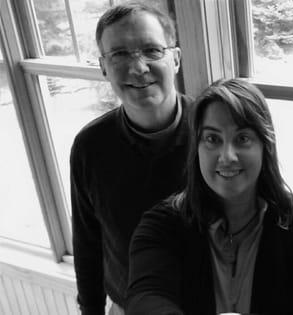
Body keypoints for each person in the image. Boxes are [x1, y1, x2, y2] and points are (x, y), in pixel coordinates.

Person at [126, 79, 293, 315]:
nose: (227, 156)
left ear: (265, 146)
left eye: (243, 139)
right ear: (197, 149)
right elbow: (145, 298)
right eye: (212, 139)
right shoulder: (161, 224)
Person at [70, 3, 193, 314]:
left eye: (152, 50)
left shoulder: (214, 132)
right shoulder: (90, 147)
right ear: (103, 67)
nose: (138, 68)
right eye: (120, 54)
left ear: (175, 59)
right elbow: (88, 244)